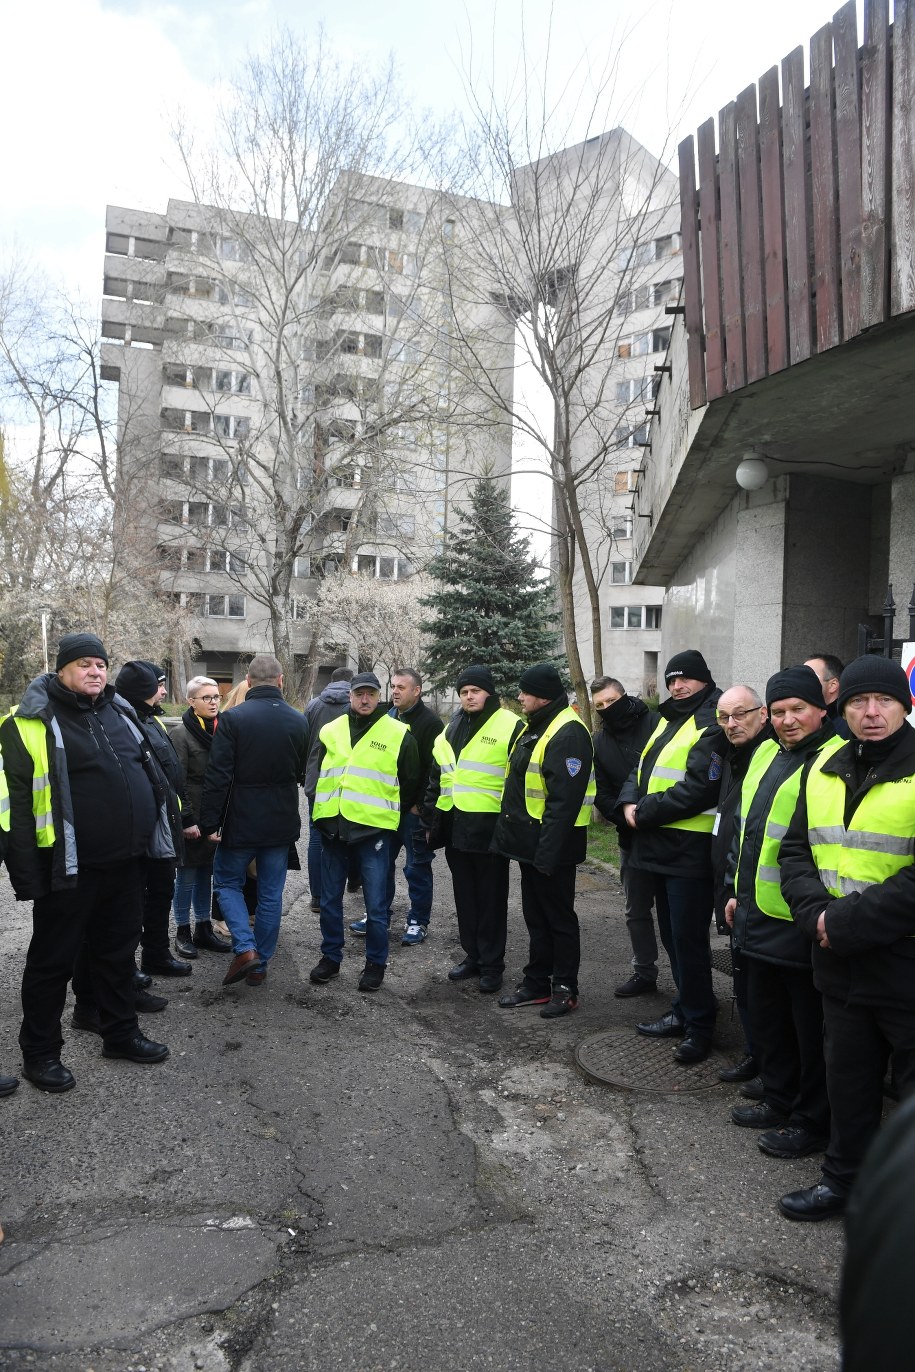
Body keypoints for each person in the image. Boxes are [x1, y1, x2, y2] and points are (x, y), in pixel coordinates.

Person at [0, 632, 171, 1092]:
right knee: (52, 963)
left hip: (126, 862)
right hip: (68, 868)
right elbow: (17, 806)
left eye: (101, 664)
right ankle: (40, 1053)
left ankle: (120, 1033)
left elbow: (149, 774)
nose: (95, 672)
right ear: (61, 669)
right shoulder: (28, 721)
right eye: (84, 664)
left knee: (117, 955)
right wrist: (27, 874)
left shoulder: (119, 712)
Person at [778, 655, 915, 1221]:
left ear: (905, 706)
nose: (871, 712)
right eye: (858, 701)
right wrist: (815, 916)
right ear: (843, 708)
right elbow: (795, 851)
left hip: (903, 965)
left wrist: (843, 924)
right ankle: (843, 1182)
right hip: (838, 963)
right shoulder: (824, 768)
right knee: (848, 1081)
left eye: (884, 700)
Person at [724, 666, 842, 1161]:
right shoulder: (767, 752)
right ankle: (779, 1097)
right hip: (757, 911)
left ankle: (810, 1120)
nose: (788, 720)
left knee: (808, 1029)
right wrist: (737, 892)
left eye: (799, 709)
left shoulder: (835, 758)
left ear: (821, 709)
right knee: (770, 1019)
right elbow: (749, 830)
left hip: (801, 920)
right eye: (778, 711)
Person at [616, 649, 724, 1063]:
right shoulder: (669, 717)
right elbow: (640, 767)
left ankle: (700, 1026)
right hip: (658, 847)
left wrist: (642, 812)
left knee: (687, 941)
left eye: (685, 679)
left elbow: (700, 787)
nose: (677, 686)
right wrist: (628, 802)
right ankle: (686, 1009)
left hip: (688, 851)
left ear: (704, 679)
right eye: (672, 680)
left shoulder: (711, 719)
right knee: (672, 938)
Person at [199, 655, 309, 989]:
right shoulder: (298, 720)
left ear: (247, 680)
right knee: (271, 894)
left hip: (241, 820)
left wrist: (210, 823)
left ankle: (246, 948)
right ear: (281, 680)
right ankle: (260, 962)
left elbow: (218, 775)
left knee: (227, 882)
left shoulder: (232, 719)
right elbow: (301, 771)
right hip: (280, 819)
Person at [492, 663, 595, 1018]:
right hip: (532, 846)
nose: (519, 696)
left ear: (543, 696)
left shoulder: (568, 733)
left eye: (525, 691)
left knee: (558, 920)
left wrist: (546, 855)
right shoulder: (537, 725)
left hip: (553, 848)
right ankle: (537, 982)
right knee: (537, 918)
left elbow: (563, 804)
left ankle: (565, 988)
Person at [310, 671, 419, 992]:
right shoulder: (331, 730)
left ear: (379, 696)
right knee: (330, 901)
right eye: (360, 694)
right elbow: (317, 772)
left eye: (371, 693)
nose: (365, 699)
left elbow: (410, 781)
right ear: (351, 696)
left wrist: (388, 815)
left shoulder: (398, 733)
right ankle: (331, 957)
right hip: (333, 829)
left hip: (374, 832)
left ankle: (375, 964)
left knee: (375, 904)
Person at [424, 665, 525, 993]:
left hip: (490, 828)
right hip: (456, 826)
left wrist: (512, 825)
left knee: (491, 899)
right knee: (465, 897)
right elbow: (438, 776)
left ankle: (492, 965)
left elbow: (519, 780)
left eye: (475, 691)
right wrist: (430, 821)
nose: (469, 696)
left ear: (489, 693)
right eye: (464, 692)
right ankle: (473, 956)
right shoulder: (451, 727)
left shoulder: (510, 725)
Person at [350, 668, 443, 946]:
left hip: (412, 813)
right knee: (380, 866)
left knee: (416, 868)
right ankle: (379, 915)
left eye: (402, 687)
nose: (395, 692)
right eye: (393, 686)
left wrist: (420, 807)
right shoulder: (388, 716)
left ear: (417, 691)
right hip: (386, 809)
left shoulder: (430, 723)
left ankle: (417, 921)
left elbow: (433, 769)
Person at [711, 684, 771, 1091]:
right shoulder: (735, 754)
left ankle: (769, 1064)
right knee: (744, 980)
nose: (731, 724)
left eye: (740, 714)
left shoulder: (768, 755)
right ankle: (756, 1053)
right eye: (724, 717)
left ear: (761, 715)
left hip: (762, 894)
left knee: (762, 988)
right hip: (734, 886)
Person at [590, 675, 660, 998]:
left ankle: (690, 981)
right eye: (600, 705)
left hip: (670, 834)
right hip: (630, 837)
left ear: (624, 695)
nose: (607, 708)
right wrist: (627, 818)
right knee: (636, 911)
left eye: (611, 701)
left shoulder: (657, 723)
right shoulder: (599, 741)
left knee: (676, 917)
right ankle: (644, 972)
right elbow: (602, 793)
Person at [170, 676, 231, 958]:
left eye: (216, 696)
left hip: (214, 816)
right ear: (191, 701)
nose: (213, 702)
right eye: (207, 698)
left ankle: (203, 928)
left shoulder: (223, 729)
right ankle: (182, 930)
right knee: (187, 874)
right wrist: (186, 820)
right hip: (192, 816)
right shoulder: (181, 734)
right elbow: (177, 781)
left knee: (207, 872)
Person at [303, 667, 356, 915]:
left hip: (317, 780)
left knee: (316, 835)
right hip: (349, 780)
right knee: (352, 832)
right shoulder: (356, 705)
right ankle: (353, 881)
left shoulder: (313, 705)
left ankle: (317, 895)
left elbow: (304, 741)